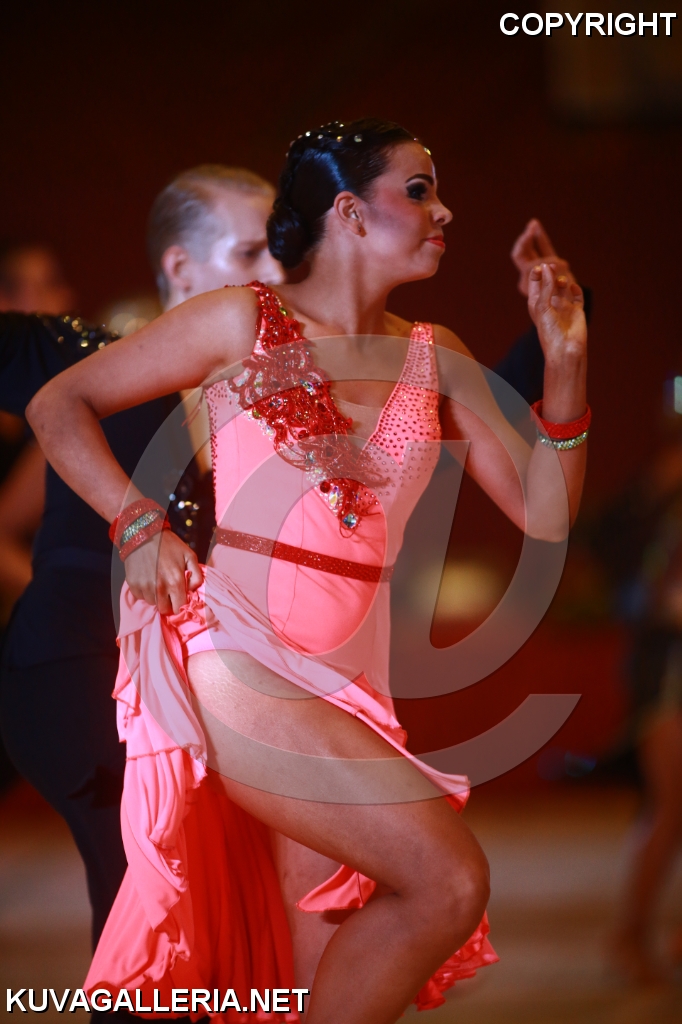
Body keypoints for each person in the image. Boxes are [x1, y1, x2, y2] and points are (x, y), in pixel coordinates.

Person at [29, 118, 589, 1024]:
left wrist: (565, 364)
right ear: (350, 212)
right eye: (419, 190)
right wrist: (136, 523)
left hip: (357, 684)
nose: (444, 211)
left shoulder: (437, 355)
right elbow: (61, 404)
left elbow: (546, 511)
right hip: (239, 657)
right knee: (446, 879)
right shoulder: (239, 319)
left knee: (312, 967)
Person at [0, 165, 283, 952]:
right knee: (148, 902)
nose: (275, 272)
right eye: (251, 252)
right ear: (181, 267)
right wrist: (131, 528)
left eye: (281, 252)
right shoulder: (94, 356)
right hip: (77, 671)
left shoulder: (280, 392)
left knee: (192, 911)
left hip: (184, 693)